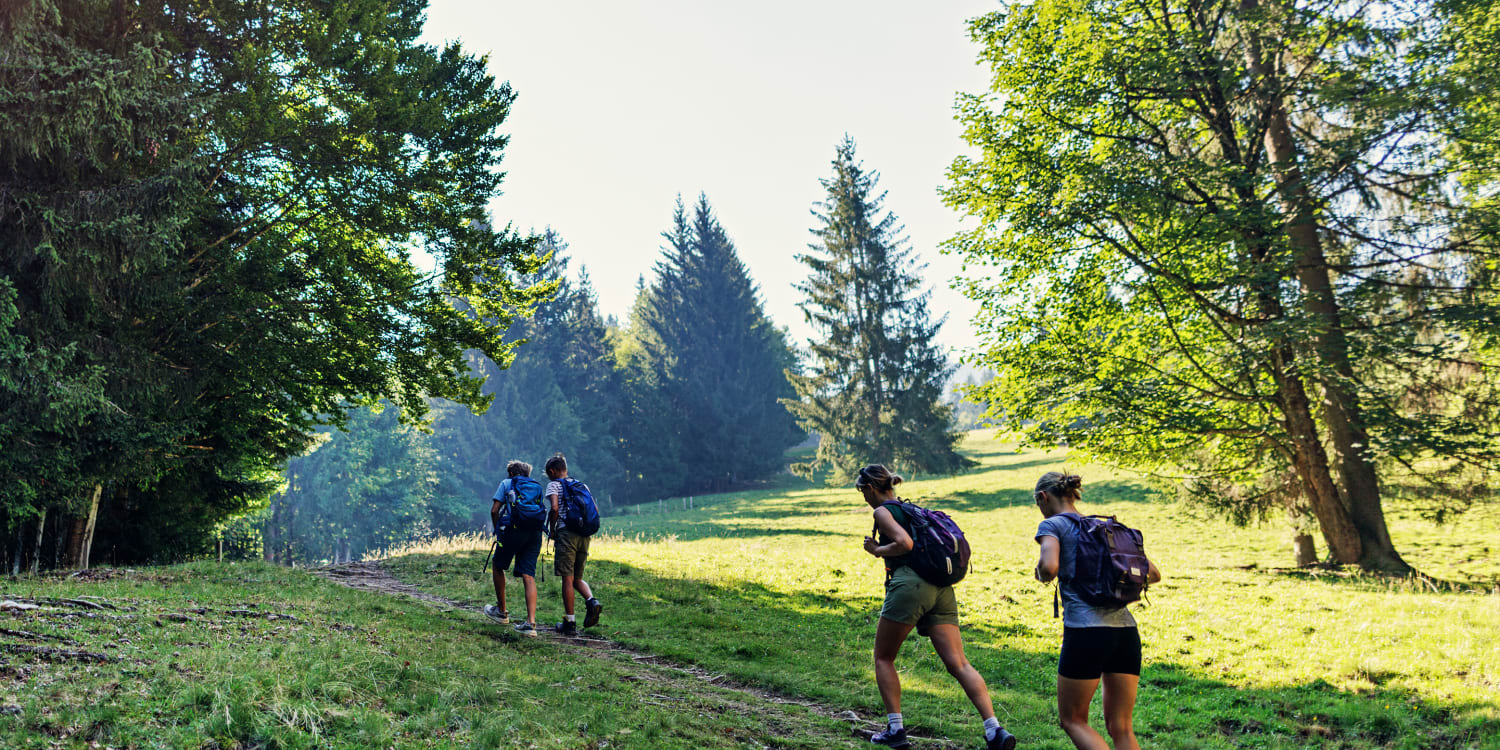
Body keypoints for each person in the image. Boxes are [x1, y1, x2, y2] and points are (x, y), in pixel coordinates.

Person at [858, 464, 1017, 750]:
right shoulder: (912, 510)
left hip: (911, 584)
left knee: (883, 657)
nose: (864, 498)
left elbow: (904, 544)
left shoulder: (882, 511)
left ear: (870, 488)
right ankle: (995, 730)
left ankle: (895, 729)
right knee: (959, 663)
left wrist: (877, 550)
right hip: (941, 587)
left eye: (862, 492)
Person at [1033, 471, 1162, 750]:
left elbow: (1049, 567)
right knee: (1122, 727)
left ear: (1043, 497)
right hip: (1126, 632)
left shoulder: (1052, 525)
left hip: (1086, 632)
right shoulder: (1106, 529)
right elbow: (1153, 574)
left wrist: (1041, 574)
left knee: (1073, 719)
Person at [484, 460, 543, 637]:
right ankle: (531, 623)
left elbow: (495, 510)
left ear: (511, 473)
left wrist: (498, 531)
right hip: (535, 533)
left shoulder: (507, 483)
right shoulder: (536, 486)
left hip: (513, 531)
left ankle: (502, 612)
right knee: (528, 575)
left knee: (498, 565)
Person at [545, 454, 601, 636]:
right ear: (565, 469)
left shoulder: (554, 484)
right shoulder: (581, 485)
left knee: (567, 578)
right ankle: (592, 601)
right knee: (577, 577)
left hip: (567, 534)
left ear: (552, 471)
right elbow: (596, 510)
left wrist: (552, 530)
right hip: (584, 535)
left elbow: (554, 508)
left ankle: (569, 623)